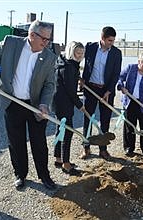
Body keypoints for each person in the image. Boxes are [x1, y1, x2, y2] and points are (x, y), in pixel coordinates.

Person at [0, 20, 57, 190]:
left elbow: (49, 84)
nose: (46, 43)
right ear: (32, 35)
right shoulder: (11, 43)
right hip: (12, 101)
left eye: (48, 40)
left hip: (36, 105)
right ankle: (20, 175)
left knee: (39, 142)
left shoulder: (49, 57)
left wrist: (44, 104)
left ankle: (44, 175)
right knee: (16, 141)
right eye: (44, 39)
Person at [80, 26, 122, 160]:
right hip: (90, 88)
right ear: (102, 38)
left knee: (105, 120)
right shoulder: (90, 47)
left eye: (113, 41)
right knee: (88, 118)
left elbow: (116, 74)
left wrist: (109, 91)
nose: (111, 43)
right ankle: (86, 147)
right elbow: (82, 63)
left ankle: (103, 150)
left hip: (106, 91)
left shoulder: (116, 53)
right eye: (109, 40)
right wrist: (81, 79)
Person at [53, 41, 85, 175]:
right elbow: (71, 90)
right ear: (71, 51)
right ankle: (66, 164)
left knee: (60, 129)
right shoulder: (68, 67)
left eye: (82, 53)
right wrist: (80, 105)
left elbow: (72, 79)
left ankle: (58, 158)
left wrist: (79, 78)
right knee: (68, 131)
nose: (80, 56)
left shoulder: (64, 62)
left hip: (58, 101)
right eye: (77, 53)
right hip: (63, 102)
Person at [117, 53, 143, 158]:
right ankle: (129, 149)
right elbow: (120, 77)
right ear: (139, 61)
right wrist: (121, 86)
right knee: (130, 126)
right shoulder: (131, 68)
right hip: (130, 101)